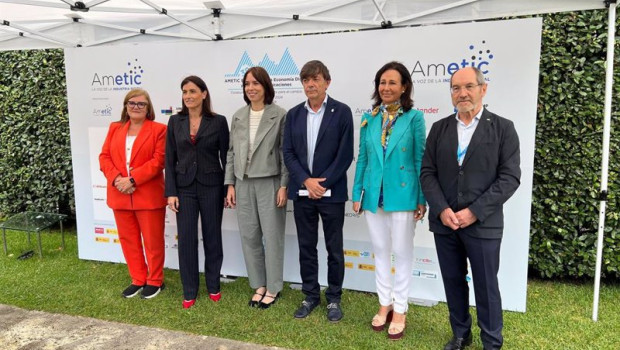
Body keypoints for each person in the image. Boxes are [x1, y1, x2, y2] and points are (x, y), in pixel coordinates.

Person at [420, 67, 521, 350]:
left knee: (486, 286)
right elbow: (427, 172)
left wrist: (474, 211)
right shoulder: (439, 129)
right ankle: (461, 334)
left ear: (483, 89)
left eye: (468, 87)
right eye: (455, 88)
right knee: (453, 281)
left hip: (483, 224)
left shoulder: (503, 128)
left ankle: (491, 341)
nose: (462, 93)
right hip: (446, 223)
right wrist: (441, 210)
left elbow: (510, 177)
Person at [351, 61, 426, 340]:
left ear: (404, 86)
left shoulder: (414, 118)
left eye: (392, 82)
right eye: (382, 82)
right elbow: (363, 158)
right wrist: (357, 192)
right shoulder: (369, 118)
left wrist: (421, 197)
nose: (386, 87)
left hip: (403, 194)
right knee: (381, 250)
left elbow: (420, 159)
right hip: (374, 194)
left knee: (403, 252)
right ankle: (385, 304)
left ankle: (401, 309)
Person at [283, 60, 354, 322]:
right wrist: (306, 181)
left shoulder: (342, 111)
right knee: (306, 246)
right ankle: (310, 295)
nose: (310, 84)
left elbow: (345, 155)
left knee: (334, 248)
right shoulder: (293, 115)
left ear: (327, 81)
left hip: (331, 194)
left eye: (315, 79)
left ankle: (334, 298)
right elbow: (288, 153)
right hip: (303, 194)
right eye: (305, 80)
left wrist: (321, 184)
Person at [224, 66, 288, 309]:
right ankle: (258, 285)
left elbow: (285, 153)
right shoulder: (238, 116)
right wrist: (230, 183)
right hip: (243, 182)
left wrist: (283, 185)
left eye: (255, 83)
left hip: (269, 182)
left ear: (265, 86)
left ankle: (273, 287)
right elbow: (231, 152)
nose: (251, 88)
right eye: (247, 84)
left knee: (272, 237)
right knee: (249, 236)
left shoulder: (279, 114)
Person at [165, 75, 230, 309]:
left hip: (211, 186)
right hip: (184, 189)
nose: (188, 96)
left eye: (192, 91)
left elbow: (226, 158)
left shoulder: (219, 121)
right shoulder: (175, 122)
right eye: (184, 92)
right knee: (187, 241)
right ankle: (189, 290)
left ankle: (213, 285)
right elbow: (169, 158)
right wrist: (171, 192)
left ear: (204, 94)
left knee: (213, 238)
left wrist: (227, 188)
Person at [99, 88, 167, 299]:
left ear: (148, 108)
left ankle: (155, 280)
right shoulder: (114, 128)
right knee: (129, 240)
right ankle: (138, 278)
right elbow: (104, 157)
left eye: (141, 104)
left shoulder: (159, 130)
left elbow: (158, 161)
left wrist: (133, 179)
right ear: (126, 107)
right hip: (119, 194)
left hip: (148, 195)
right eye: (132, 103)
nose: (136, 107)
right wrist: (117, 179)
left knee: (153, 241)